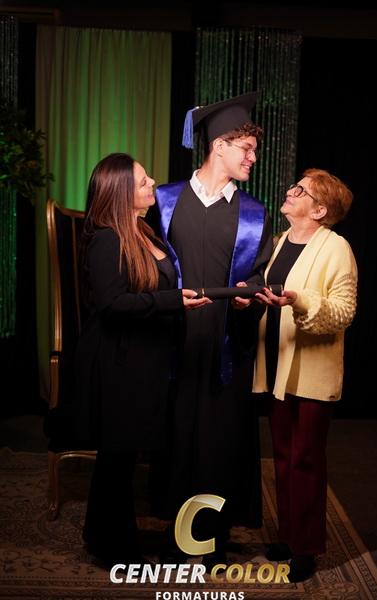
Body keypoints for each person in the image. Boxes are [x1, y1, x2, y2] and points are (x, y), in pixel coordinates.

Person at [146, 92, 273, 568]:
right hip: (174, 342)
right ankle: (176, 537)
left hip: (225, 344)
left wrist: (247, 297)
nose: (253, 158)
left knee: (219, 444)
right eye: (247, 149)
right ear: (219, 145)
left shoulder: (254, 213)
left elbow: (257, 275)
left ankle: (211, 540)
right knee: (177, 438)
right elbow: (147, 266)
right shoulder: (165, 201)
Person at [74, 152, 209, 567]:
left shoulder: (143, 230)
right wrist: (172, 301)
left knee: (123, 456)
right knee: (117, 457)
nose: (152, 182)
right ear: (120, 192)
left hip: (147, 359)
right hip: (120, 364)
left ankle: (101, 536)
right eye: (142, 180)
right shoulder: (106, 239)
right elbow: (112, 304)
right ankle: (114, 548)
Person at [252, 168, 357, 582]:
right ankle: (288, 535)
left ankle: (307, 547)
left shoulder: (337, 248)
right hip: (277, 364)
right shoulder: (281, 242)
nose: (290, 192)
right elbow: (269, 291)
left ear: (319, 210)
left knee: (305, 460)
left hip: (312, 372)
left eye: (301, 190)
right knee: (281, 457)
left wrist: (300, 299)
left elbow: (343, 312)